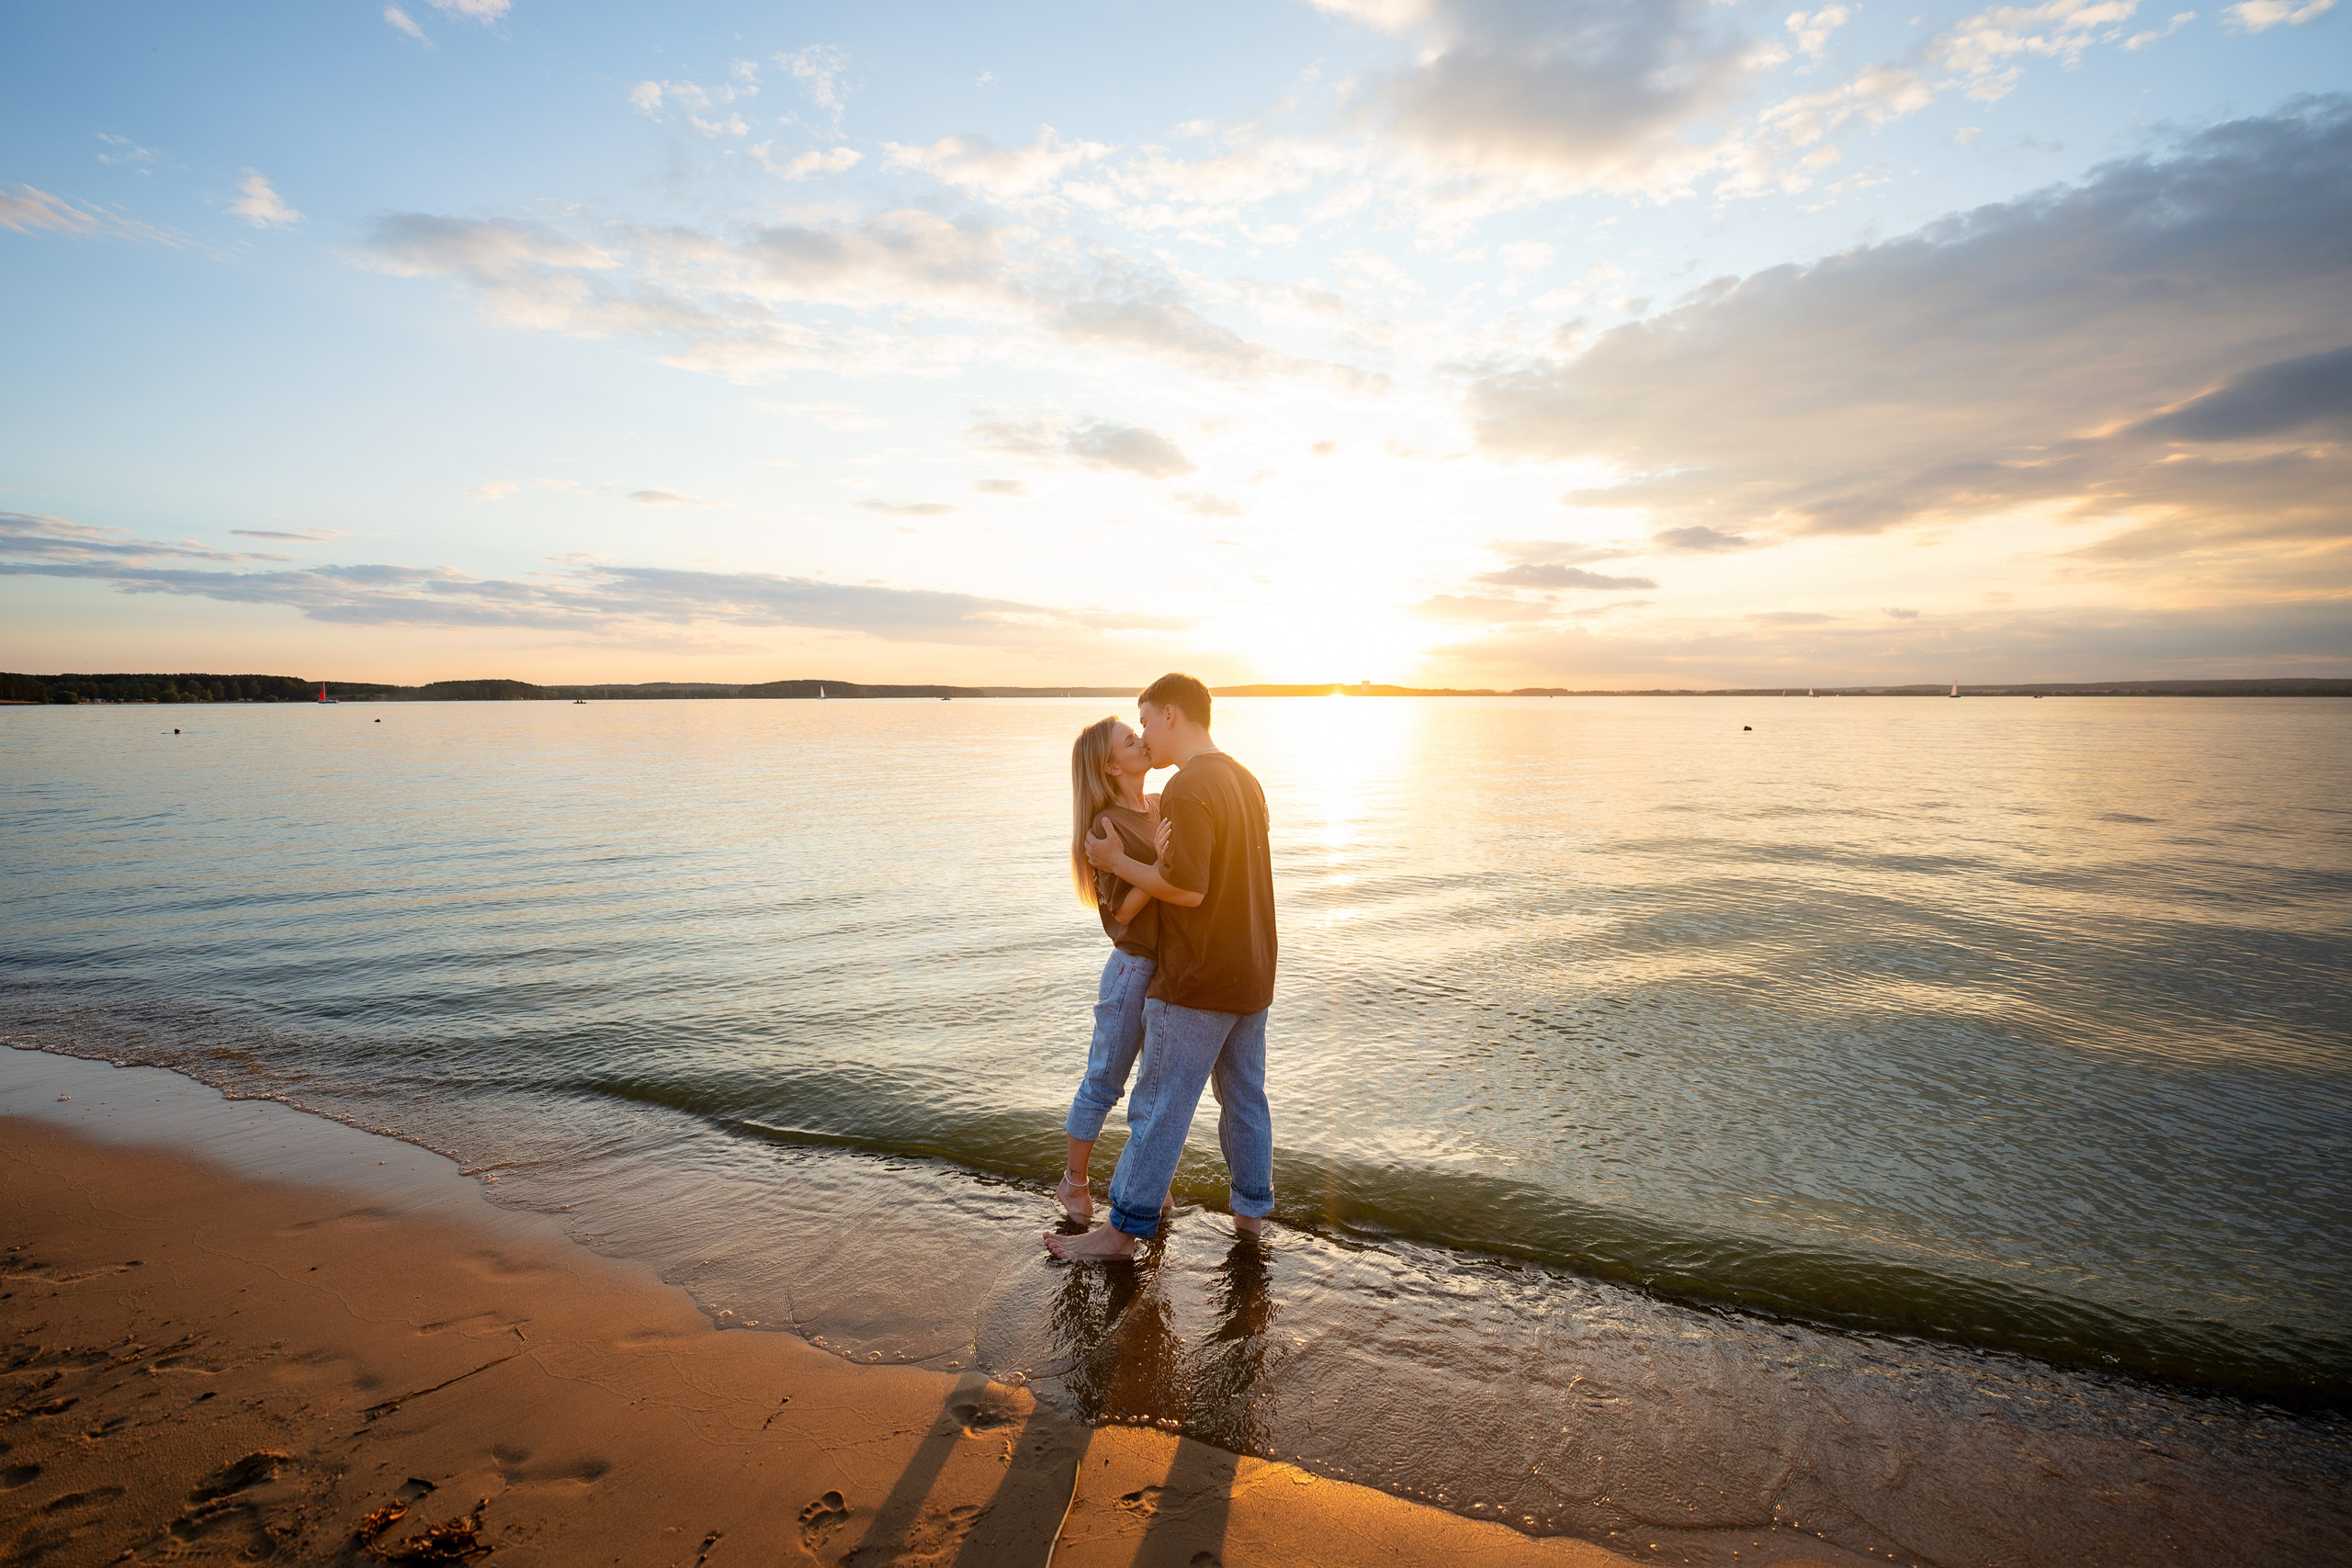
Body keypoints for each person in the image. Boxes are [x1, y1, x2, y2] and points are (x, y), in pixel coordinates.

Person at [1047, 672, 1277, 1260]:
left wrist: (1123, 862)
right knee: (1245, 1099)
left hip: (1197, 976)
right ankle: (1251, 1219)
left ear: (1171, 715)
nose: (1145, 734)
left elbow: (1189, 889)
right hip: (1252, 970)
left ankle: (1121, 1230)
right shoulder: (1245, 780)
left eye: (1146, 719)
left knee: (1161, 1103)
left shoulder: (1184, 788)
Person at [1056, 715, 1170, 1223]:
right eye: (1130, 741)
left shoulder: (1161, 804)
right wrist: (1165, 866)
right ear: (1110, 764)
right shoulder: (1107, 825)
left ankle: (1148, 1179)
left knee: (1157, 1085)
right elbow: (1121, 914)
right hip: (1132, 969)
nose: (1142, 742)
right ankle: (1073, 1183)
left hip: (1172, 970)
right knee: (1105, 1080)